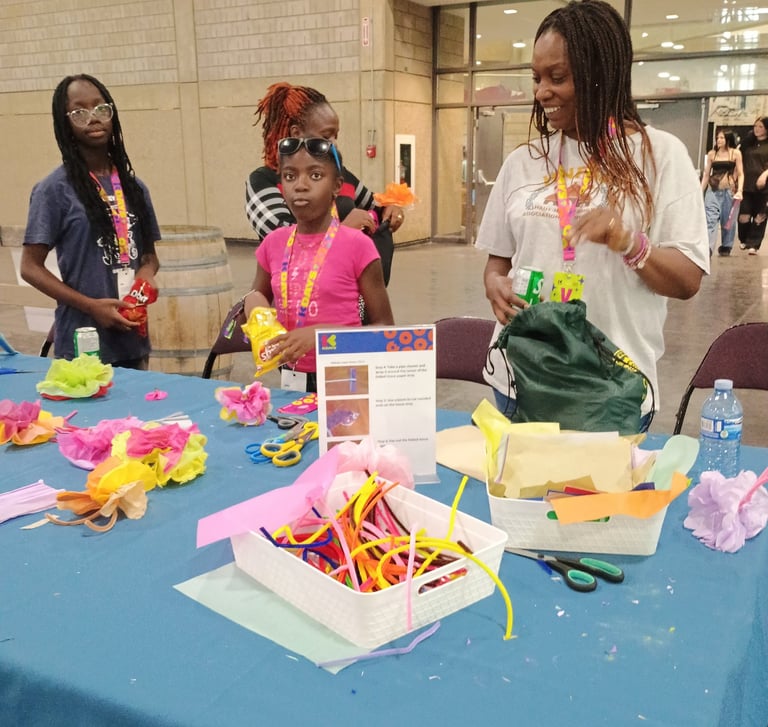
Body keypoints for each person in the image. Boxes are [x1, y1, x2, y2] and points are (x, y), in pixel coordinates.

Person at [476, 0, 708, 420]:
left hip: (609, 392)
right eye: (537, 78)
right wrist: (495, 285)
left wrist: (627, 241)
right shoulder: (524, 161)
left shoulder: (660, 157)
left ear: (600, 74)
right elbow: (499, 261)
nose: (541, 92)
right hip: (519, 380)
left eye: (557, 77)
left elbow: (688, 278)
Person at [21, 73, 161, 369]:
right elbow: (30, 268)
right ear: (65, 124)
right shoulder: (53, 190)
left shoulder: (135, 188)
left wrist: (146, 274)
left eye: (101, 108)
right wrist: (90, 306)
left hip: (133, 339)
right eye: (79, 112)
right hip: (82, 342)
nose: (93, 118)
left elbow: (149, 256)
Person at [243, 136, 394, 393]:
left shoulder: (358, 246)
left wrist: (320, 337)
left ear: (337, 186)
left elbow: (384, 330)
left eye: (315, 176)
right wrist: (254, 306)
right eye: (290, 176)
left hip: (346, 378)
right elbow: (257, 296)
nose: (300, 186)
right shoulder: (273, 243)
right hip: (290, 378)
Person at [245, 82, 404, 285]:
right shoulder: (263, 181)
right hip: (294, 294)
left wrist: (392, 210)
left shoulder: (340, 175)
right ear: (296, 134)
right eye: (326, 136)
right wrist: (342, 232)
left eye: (336, 136)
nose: (334, 144)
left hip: (347, 293)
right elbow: (281, 240)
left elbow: (375, 206)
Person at [700, 129, 743, 257]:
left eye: (722, 138)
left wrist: (740, 190)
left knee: (728, 220)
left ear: (728, 139)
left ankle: (726, 245)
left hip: (729, 191)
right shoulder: (712, 154)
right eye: (717, 138)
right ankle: (708, 247)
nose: (719, 140)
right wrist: (700, 191)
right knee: (710, 219)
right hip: (713, 190)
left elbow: (741, 173)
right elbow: (706, 174)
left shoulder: (735, 153)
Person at [736, 117, 768, 255]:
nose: (757, 129)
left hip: (763, 186)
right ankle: (744, 238)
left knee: (760, 216)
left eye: (760, 126)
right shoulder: (748, 144)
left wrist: (765, 174)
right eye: (755, 126)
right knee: (744, 215)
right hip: (746, 184)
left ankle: (754, 244)